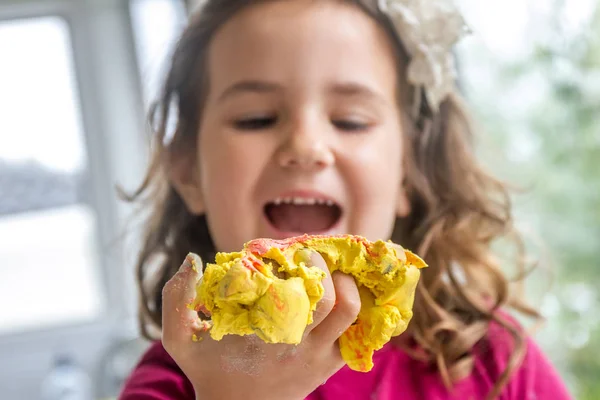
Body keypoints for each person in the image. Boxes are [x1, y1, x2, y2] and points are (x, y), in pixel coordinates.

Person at [119, 0, 573, 399]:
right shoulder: (177, 381)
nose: (306, 146)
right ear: (188, 171)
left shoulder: (492, 359)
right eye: (256, 119)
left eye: (352, 121)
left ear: (407, 174)